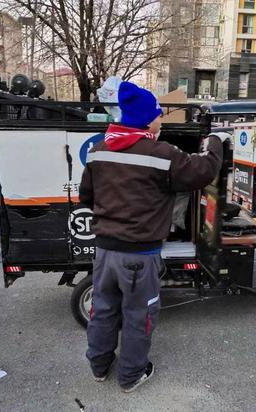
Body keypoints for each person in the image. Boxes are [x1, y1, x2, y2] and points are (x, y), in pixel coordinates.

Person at [79, 81, 224, 393]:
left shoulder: (98, 151)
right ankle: (131, 376)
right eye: (158, 114)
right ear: (146, 120)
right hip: (139, 257)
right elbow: (202, 171)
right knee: (138, 315)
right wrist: (214, 141)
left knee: (103, 310)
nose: (161, 119)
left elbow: (86, 197)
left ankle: (99, 367)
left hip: (104, 253)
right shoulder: (162, 155)